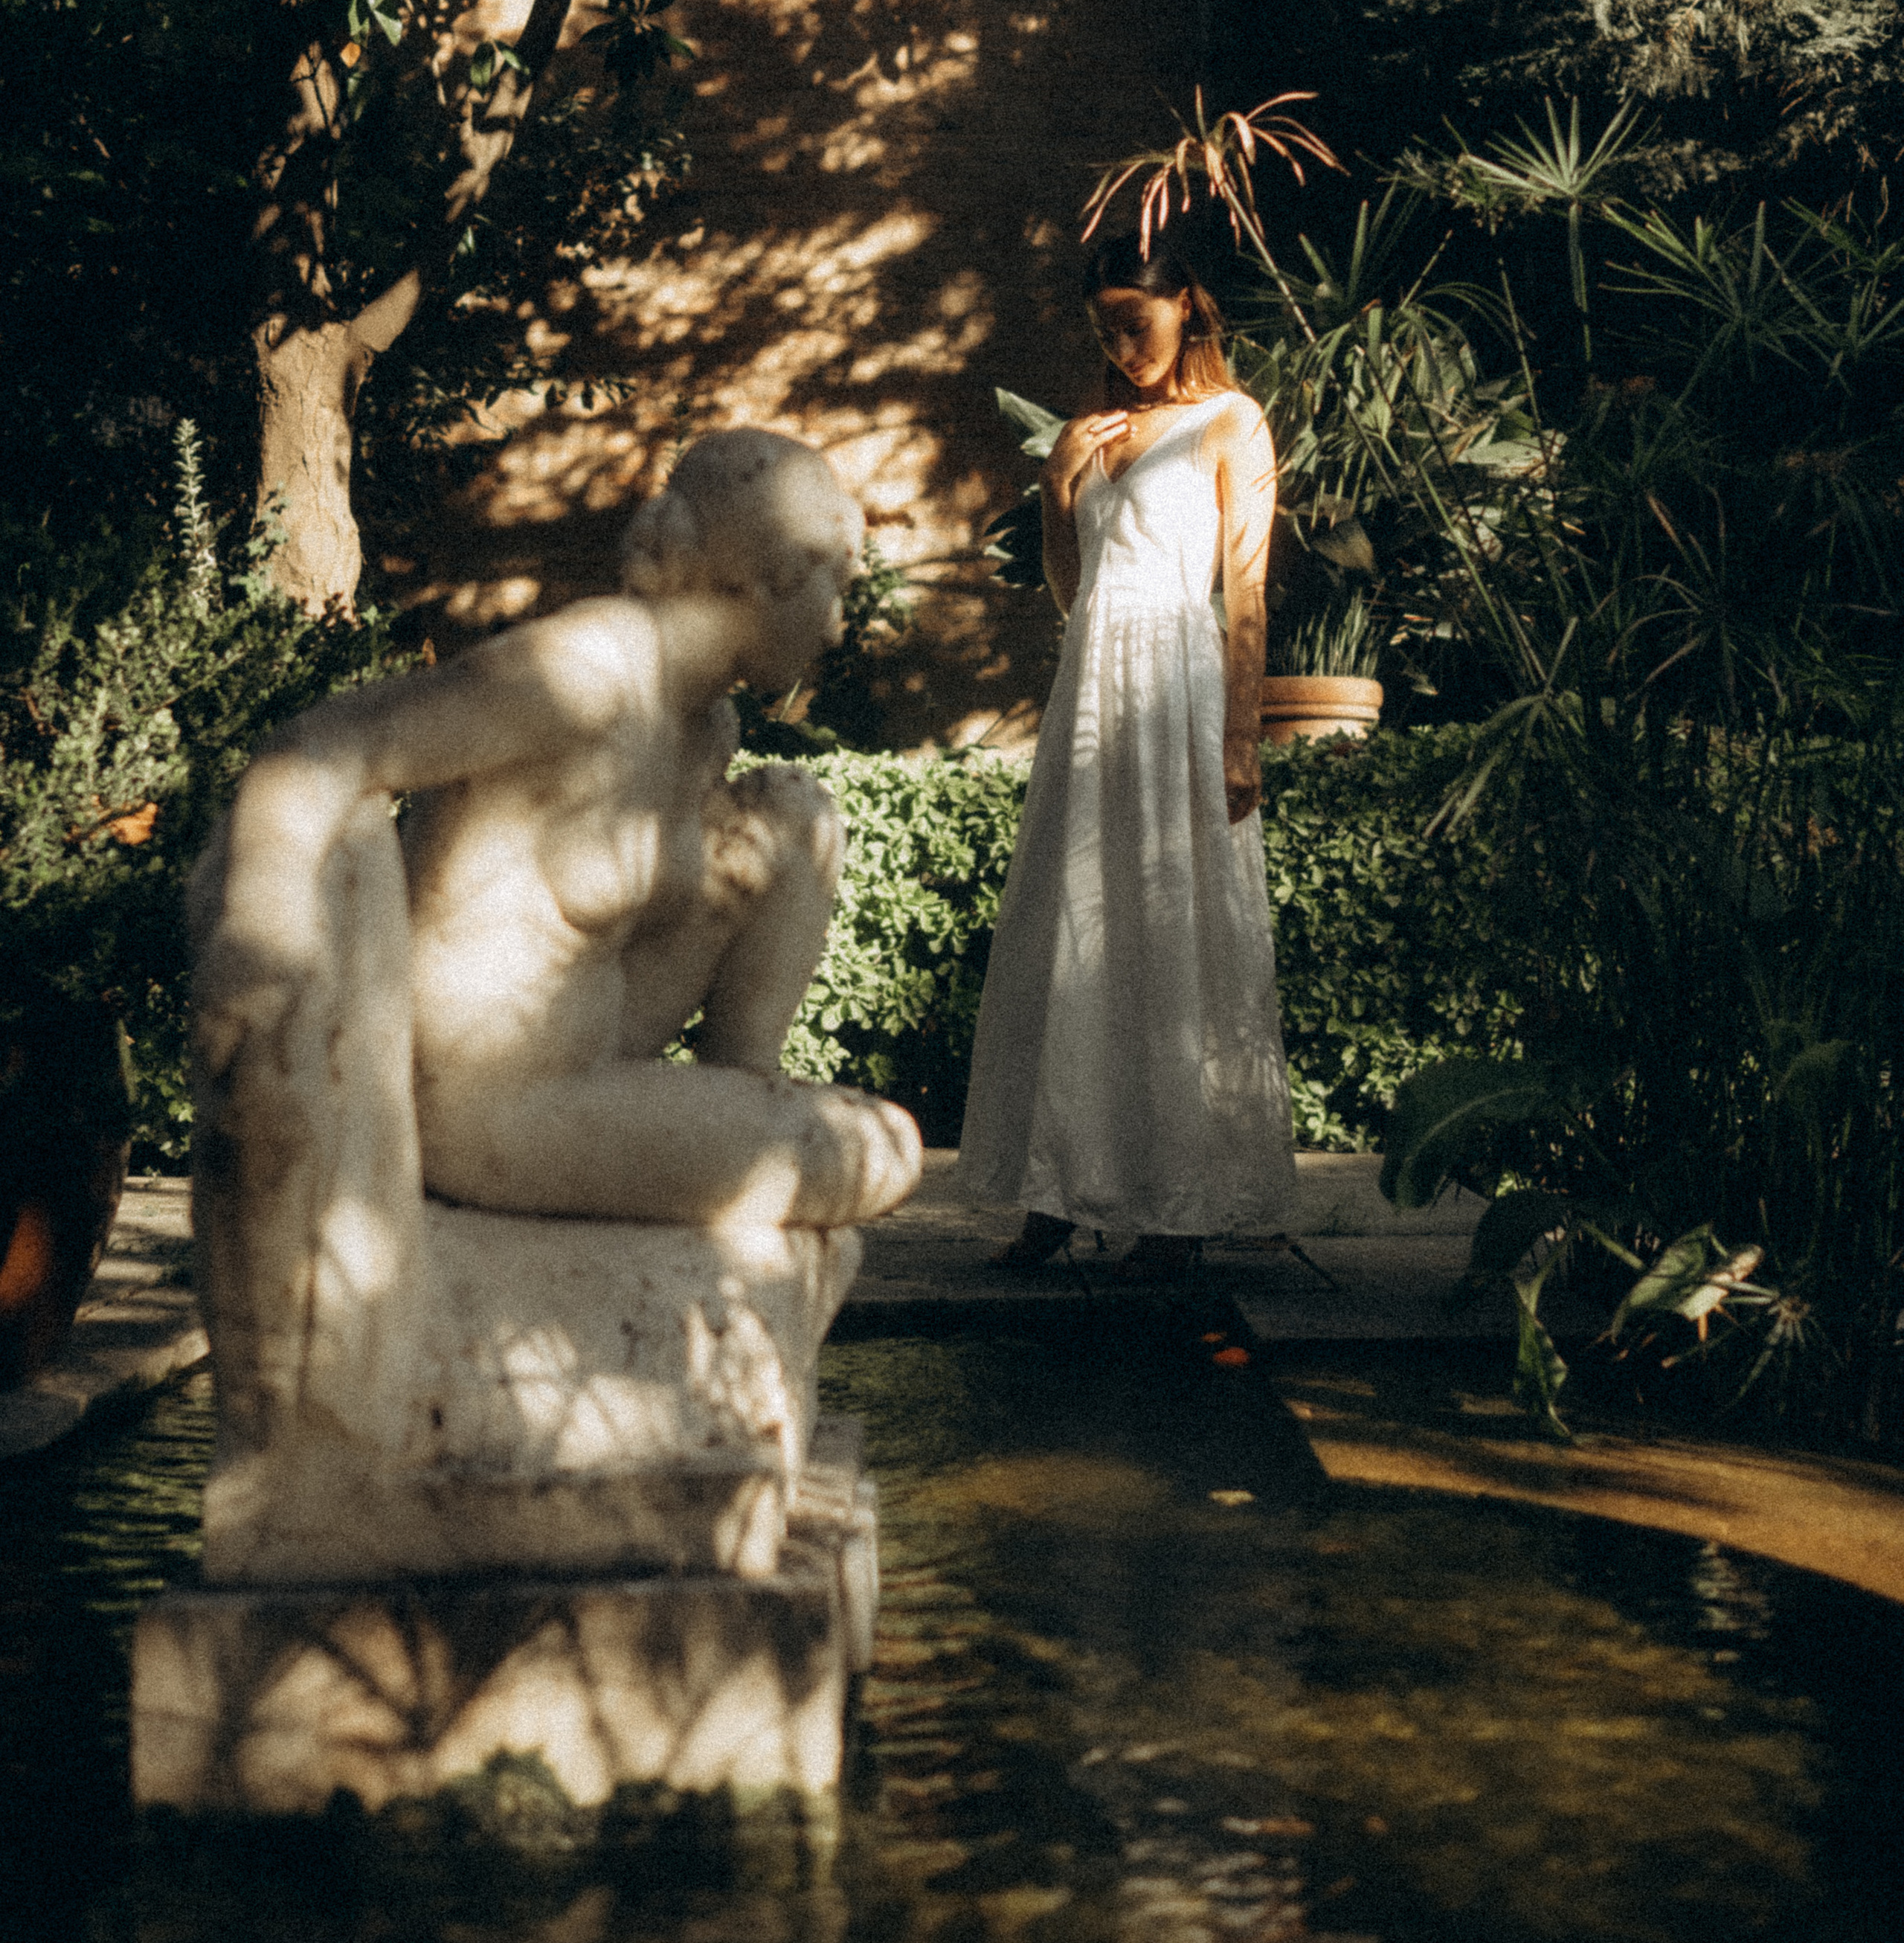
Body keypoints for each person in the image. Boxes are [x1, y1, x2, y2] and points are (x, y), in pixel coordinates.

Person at [193, 428, 920, 1234]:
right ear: (764, 578)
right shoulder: (582, 674)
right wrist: (257, 939)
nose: (835, 631)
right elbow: (315, 749)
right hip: (478, 1104)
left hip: (594, 1049)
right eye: (834, 591)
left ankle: (743, 1085)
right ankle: (732, 1125)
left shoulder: (703, 727)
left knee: (794, 811)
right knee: (875, 1150)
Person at [957, 236, 1297, 1273]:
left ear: (1188, 307)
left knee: (1169, 926)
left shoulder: (1231, 423)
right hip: (1093, 692)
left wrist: (1240, 740)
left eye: (1137, 322)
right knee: (1071, 923)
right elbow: (1074, 597)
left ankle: (1175, 1208)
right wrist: (1062, 487)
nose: (1122, 343)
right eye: (1105, 327)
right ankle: (1057, 1190)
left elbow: (1245, 593)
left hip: (1180, 691)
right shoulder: (1088, 432)